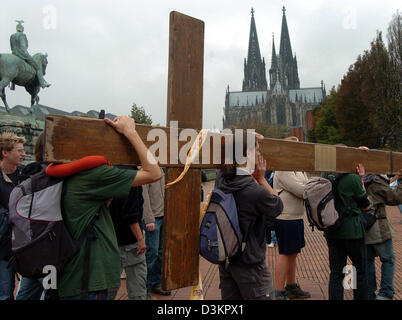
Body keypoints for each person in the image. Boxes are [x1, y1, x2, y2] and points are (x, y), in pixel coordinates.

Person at [58, 115, 161, 300]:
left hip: (72, 275)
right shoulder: (94, 176)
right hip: (89, 281)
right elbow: (154, 172)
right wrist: (131, 133)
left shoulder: (68, 172)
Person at [215, 131, 283, 300]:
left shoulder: (222, 180)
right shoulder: (255, 191)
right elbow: (278, 206)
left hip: (227, 261)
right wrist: (262, 180)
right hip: (251, 265)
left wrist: (244, 134)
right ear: (247, 153)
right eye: (257, 150)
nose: (259, 154)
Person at [324, 162, 371, 300]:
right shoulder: (352, 178)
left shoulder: (325, 176)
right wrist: (361, 179)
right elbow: (366, 206)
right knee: (359, 271)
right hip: (352, 230)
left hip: (332, 229)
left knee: (336, 273)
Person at [272, 136, 310, 300]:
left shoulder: (298, 168)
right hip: (285, 217)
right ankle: (279, 290)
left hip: (296, 216)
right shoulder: (283, 168)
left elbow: (306, 185)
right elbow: (301, 190)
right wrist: (308, 189)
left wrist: (307, 188)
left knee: (293, 252)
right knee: (285, 253)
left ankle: (291, 286)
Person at [108, 169, 147, 300]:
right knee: (137, 288)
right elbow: (130, 215)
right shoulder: (132, 177)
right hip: (130, 240)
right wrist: (140, 239)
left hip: (110, 238)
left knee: (108, 287)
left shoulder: (110, 172)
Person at [363, 169, 402, 300]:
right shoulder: (376, 181)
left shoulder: (360, 179)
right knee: (388, 260)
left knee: (367, 262)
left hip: (363, 227)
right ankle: (385, 293)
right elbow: (395, 197)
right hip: (377, 226)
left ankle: (368, 293)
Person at [0, 132, 26, 300]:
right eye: (19, 150)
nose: (23, 154)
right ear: (5, 152)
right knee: (4, 293)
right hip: (3, 247)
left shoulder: (25, 175)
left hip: (25, 245)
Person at [142, 168, 171, 298]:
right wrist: (148, 218)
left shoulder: (163, 169)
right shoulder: (145, 169)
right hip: (152, 219)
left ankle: (156, 283)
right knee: (151, 253)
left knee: (160, 252)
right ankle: (145, 289)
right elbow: (144, 197)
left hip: (163, 216)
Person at [10, 20, 50, 88]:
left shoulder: (12, 36)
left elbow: (12, 46)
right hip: (22, 54)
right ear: (22, 29)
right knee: (37, 67)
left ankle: (12, 85)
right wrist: (27, 55)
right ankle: (42, 83)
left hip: (14, 53)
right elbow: (23, 47)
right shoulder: (22, 35)